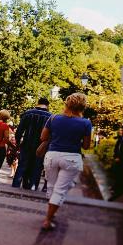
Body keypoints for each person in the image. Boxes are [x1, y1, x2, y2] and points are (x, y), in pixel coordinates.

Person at [39, 93, 92, 232]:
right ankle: (48, 220)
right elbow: (86, 146)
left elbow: (43, 137)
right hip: (71, 157)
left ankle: (50, 213)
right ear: (82, 107)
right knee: (61, 189)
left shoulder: (54, 117)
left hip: (52, 155)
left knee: (50, 186)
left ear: (67, 104)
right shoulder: (86, 123)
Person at [13, 97, 51, 190]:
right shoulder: (50, 116)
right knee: (37, 167)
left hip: (27, 144)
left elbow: (19, 130)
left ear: (38, 103)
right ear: (47, 105)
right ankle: (33, 187)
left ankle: (15, 186)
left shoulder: (28, 113)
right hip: (41, 147)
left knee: (22, 165)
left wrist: (17, 143)